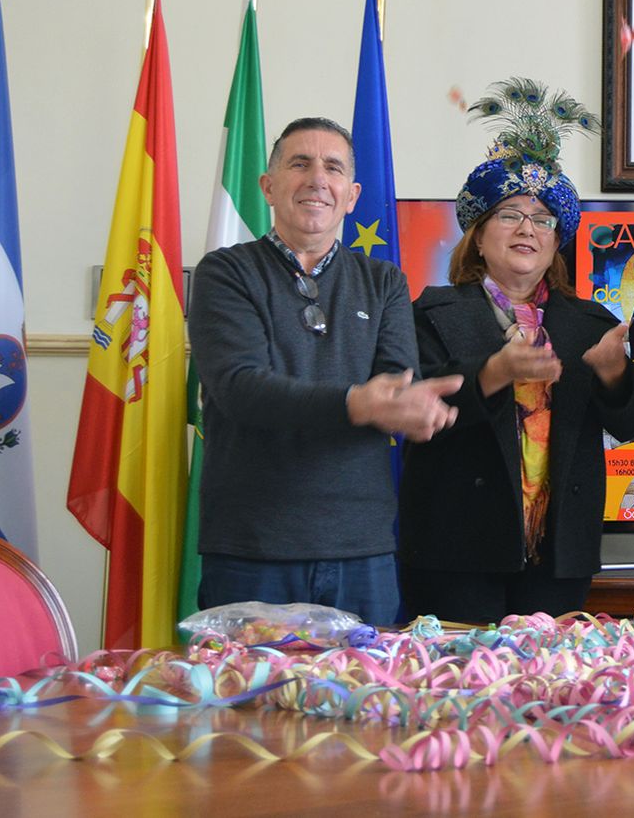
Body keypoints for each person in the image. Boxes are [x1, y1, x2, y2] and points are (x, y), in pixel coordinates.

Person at [398, 80, 634, 624]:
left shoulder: (591, 322)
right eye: (510, 214)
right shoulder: (432, 310)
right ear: (479, 229)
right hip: (456, 552)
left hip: (559, 557)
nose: (528, 229)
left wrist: (615, 376)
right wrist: (494, 373)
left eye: (543, 219)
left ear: (557, 238)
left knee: (547, 699)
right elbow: (412, 415)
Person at [191, 118, 460, 625]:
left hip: (363, 552)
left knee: (366, 703)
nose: (317, 178)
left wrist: (410, 410)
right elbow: (239, 388)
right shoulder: (224, 273)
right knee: (245, 704)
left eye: (333, 167)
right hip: (252, 549)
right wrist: (355, 403)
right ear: (268, 187)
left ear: (352, 195)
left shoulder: (385, 283)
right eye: (300, 163)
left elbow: (395, 387)